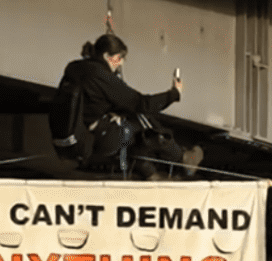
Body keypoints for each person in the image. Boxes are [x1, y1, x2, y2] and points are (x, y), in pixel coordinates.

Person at [58, 33, 203, 179]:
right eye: (119, 58)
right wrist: (174, 94)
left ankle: (150, 173)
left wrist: (115, 112)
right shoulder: (101, 75)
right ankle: (182, 158)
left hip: (69, 141)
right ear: (106, 55)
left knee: (130, 120)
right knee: (141, 118)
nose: (121, 63)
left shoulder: (75, 68)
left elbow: (91, 103)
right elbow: (141, 103)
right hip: (90, 142)